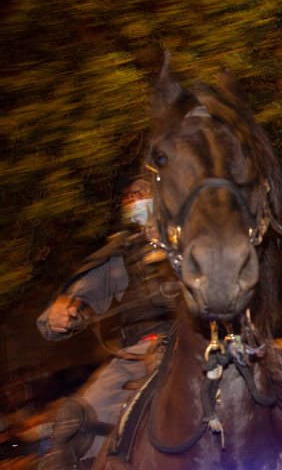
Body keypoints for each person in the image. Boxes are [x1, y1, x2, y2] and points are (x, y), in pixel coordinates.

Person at [35, 178, 178, 465]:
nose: (135, 198)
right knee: (76, 420)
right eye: (128, 195)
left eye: (144, 190)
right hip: (139, 353)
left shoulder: (197, 234)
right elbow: (83, 295)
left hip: (201, 342)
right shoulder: (123, 252)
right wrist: (64, 310)